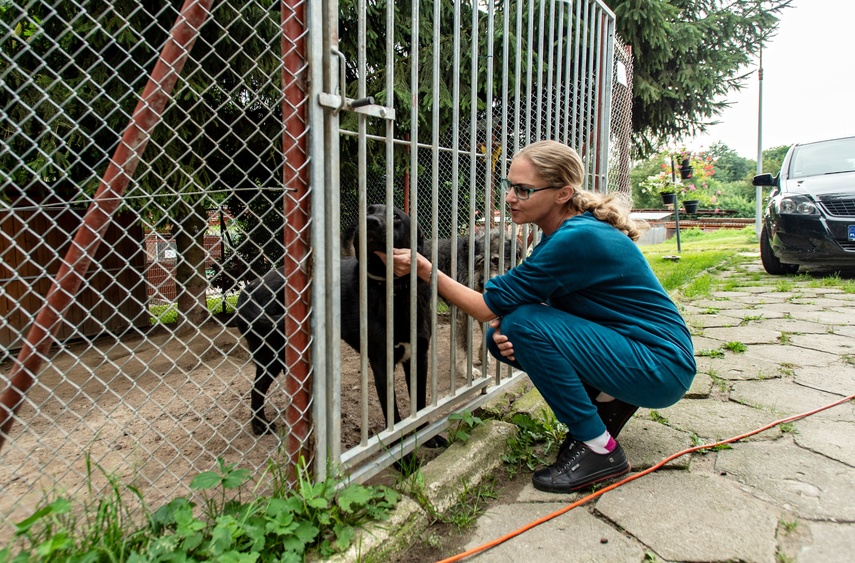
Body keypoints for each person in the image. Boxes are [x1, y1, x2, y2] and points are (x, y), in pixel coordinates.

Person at [380, 140, 696, 493]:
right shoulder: (561, 236)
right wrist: (509, 320)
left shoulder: (574, 239)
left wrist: (424, 268)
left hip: (661, 365)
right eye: (509, 185)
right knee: (504, 337)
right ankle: (611, 398)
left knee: (520, 326)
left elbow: (486, 308)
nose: (511, 197)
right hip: (649, 357)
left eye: (524, 190)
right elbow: (526, 307)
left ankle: (598, 448)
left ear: (562, 193)